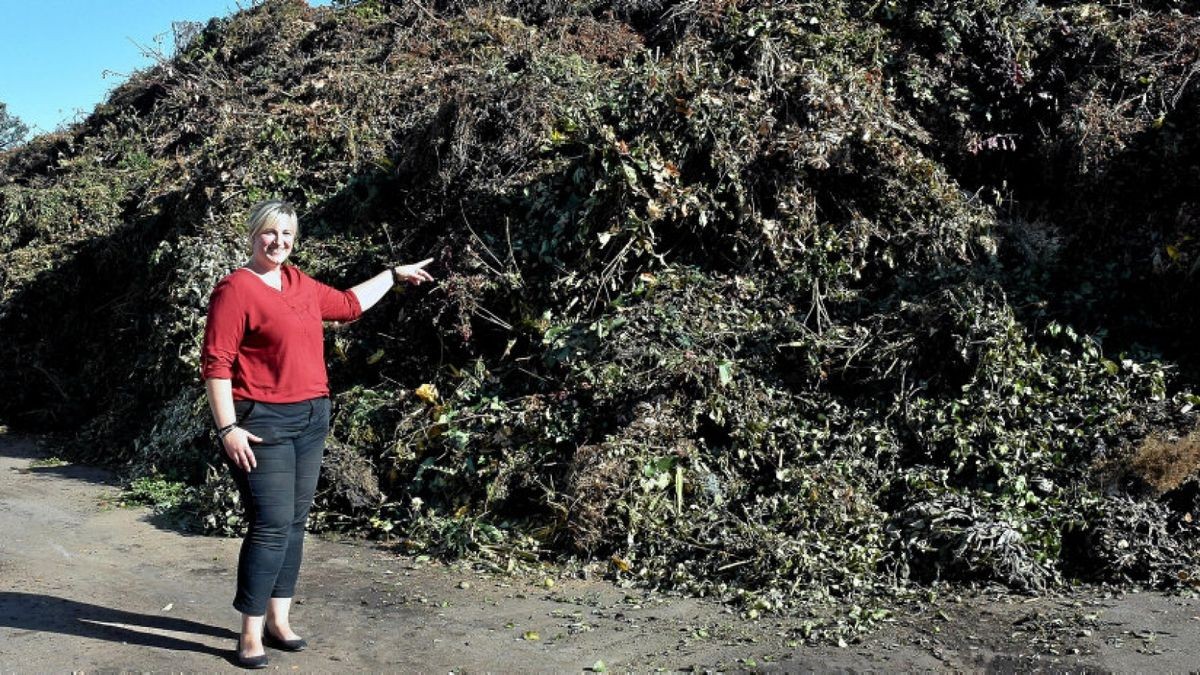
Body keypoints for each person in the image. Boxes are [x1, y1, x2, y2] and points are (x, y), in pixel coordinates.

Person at [201, 199, 433, 668]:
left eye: (287, 234)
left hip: (312, 417)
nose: (278, 242)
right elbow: (216, 364)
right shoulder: (235, 289)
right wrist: (228, 427)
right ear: (252, 235)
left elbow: (348, 306)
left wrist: (391, 275)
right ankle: (249, 634)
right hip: (261, 421)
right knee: (269, 525)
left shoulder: (299, 283)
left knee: (293, 523)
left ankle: (278, 619)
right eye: (270, 233)